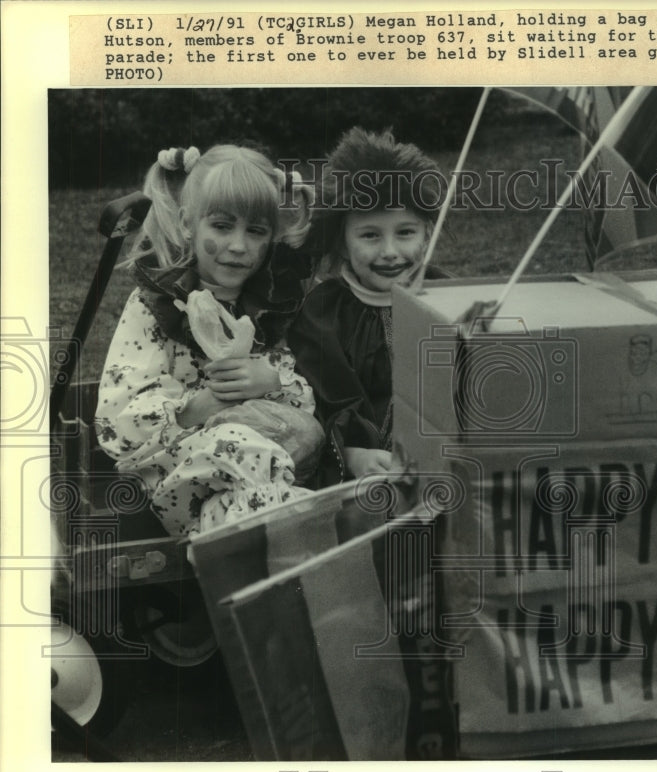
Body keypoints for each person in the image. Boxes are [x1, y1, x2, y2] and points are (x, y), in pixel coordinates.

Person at [95, 144, 322, 536]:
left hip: (249, 488)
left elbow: (305, 404)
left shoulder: (271, 307)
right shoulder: (156, 306)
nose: (238, 245)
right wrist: (195, 406)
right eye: (221, 226)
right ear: (188, 223)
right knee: (236, 443)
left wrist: (273, 382)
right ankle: (297, 544)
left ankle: (259, 566)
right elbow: (117, 424)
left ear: (270, 238)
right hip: (172, 473)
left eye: (255, 231)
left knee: (270, 474)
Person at [289, 128, 443, 487]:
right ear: (342, 243)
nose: (389, 251)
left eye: (405, 233)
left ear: (426, 236)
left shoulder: (446, 296)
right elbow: (321, 400)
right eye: (370, 235)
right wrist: (352, 452)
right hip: (361, 474)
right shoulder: (324, 312)